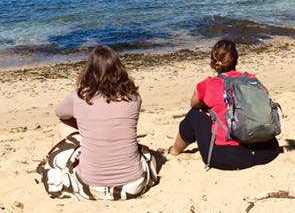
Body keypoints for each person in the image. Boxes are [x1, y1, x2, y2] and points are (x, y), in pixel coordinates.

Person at [37, 46, 158, 200]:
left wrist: (82, 121)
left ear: (89, 71)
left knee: (63, 124)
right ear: (119, 70)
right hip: (134, 185)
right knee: (144, 152)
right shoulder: (134, 98)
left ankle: (48, 161)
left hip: (91, 187)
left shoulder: (80, 97)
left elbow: (60, 113)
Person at [168, 39, 280, 170]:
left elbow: (194, 104)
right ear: (236, 60)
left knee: (194, 114)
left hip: (226, 156)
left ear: (213, 62)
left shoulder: (207, 85)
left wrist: (209, 106)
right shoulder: (251, 79)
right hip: (267, 150)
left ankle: (174, 150)